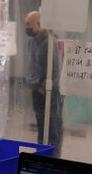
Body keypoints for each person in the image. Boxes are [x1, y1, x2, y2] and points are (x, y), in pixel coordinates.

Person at [25, 10, 64, 157]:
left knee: (53, 128)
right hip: (37, 90)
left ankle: (54, 159)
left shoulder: (50, 42)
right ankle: (42, 157)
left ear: (39, 24)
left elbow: (56, 69)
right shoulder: (32, 42)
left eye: (29, 25)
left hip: (49, 93)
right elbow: (32, 66)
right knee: (41, 127)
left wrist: (47, 88)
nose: (27, 28)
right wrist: (32, 83)